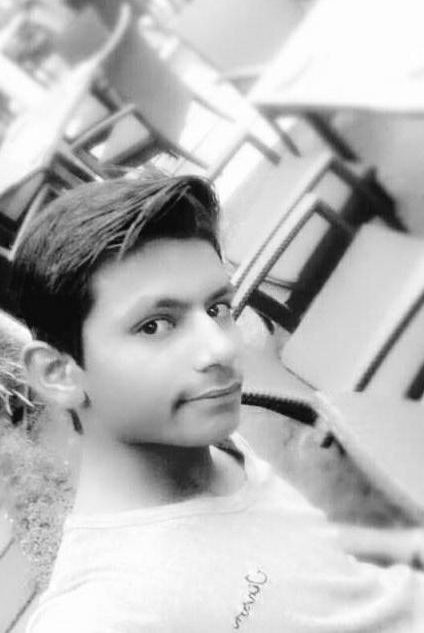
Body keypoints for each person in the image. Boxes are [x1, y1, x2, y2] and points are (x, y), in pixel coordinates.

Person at [9, 171, 424, 632]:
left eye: (216, 309)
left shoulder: (216, 441)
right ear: (58, 373)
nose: (222, 348)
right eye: (155, 325)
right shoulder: (105, 610)